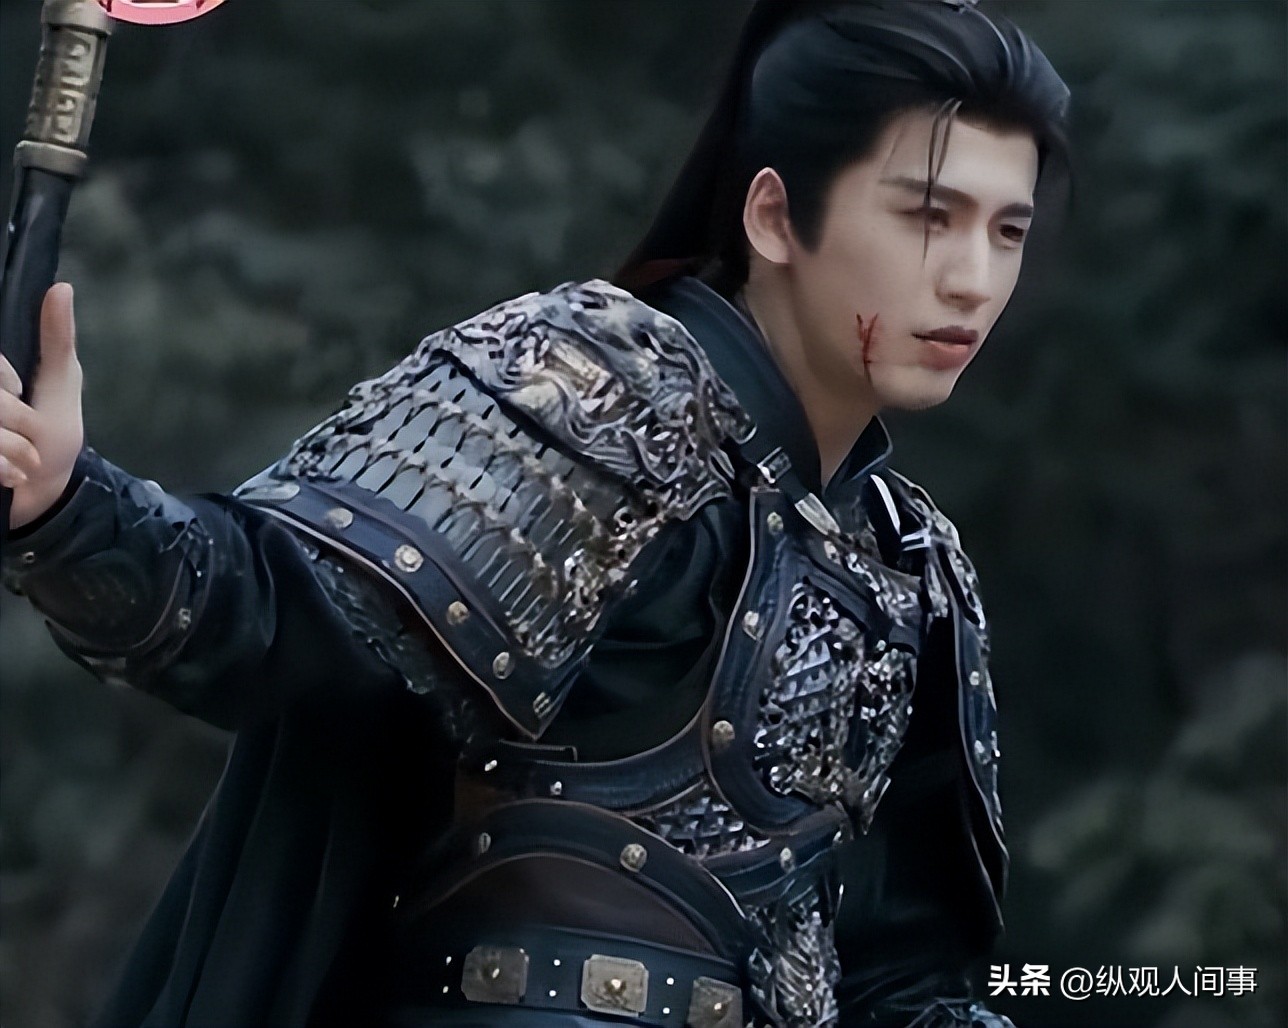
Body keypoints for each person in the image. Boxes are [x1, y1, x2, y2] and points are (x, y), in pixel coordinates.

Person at [0, 1, 1070, 1025]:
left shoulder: (907, 567)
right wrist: (67, 502)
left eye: (1008, 231)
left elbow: (900, 984)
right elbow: (271, 606)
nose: (972, 280)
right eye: (927, 217)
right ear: (775, 216)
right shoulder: (602, 392)